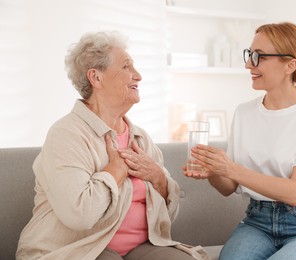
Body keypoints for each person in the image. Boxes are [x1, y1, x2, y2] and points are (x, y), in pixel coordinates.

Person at [16, 31, 205, 260]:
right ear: (96, 78)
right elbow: (79, 215)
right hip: (78, 250)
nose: (138, 76)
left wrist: (159, 178)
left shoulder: (140, 139)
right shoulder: (67, 135)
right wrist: (115, 171)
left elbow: (168, 216)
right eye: (127, 67)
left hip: (140, 247)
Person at [184, 22, 296, 260]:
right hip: (257, 222)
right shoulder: (244, 112)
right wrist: (214, 171)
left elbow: (295, 192)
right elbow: (229, 187)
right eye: (249, 54)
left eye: (258, 56)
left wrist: (231, 168)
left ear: (290, 64)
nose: (248, 64)